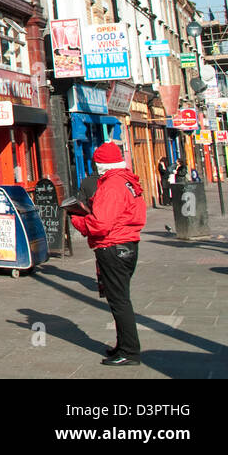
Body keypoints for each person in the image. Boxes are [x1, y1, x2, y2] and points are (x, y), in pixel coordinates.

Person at [70, 141, 147, 367]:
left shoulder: (112, 185)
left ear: (102, 164)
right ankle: (123, 345)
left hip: (113, 246)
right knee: (119, 299)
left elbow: (101, 224)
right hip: (127, 243)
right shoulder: (127, 181)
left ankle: (130, 352)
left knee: (119, 301)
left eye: (97, 163)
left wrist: (79, 220)